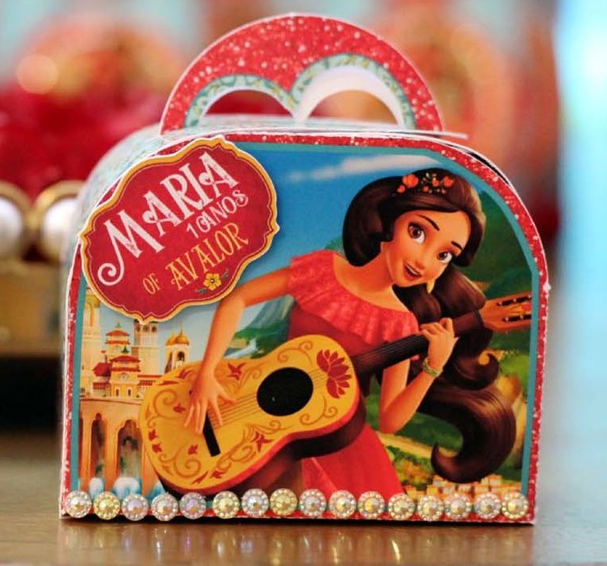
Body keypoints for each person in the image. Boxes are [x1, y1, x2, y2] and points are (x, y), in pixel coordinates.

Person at [183, 168, 515, 495]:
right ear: (391, 222)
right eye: (417, 232)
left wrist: (433, 368)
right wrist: (207, 373)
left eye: (444, 255)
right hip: (267, 418)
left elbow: (389, 420)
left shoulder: (400, 322)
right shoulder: (323, 269)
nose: (424, 261)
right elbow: (237, 299)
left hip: (339, 444)